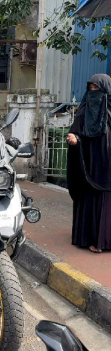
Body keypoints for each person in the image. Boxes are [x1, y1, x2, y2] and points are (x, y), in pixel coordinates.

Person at [67, 73, 111, 254]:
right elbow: (76, 131)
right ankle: (91, 239)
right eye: (90, 89)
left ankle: (105, 238)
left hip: (108, 167)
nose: (93, 93)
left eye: (97, 89)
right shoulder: (85, 111)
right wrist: (75, 139)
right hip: (89, 167)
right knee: (90, 198)